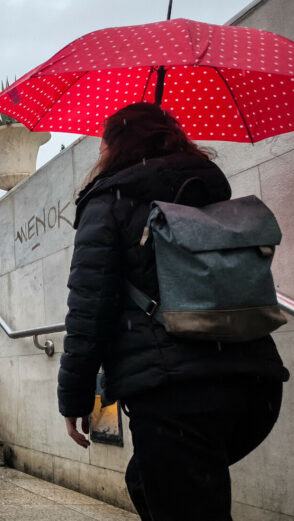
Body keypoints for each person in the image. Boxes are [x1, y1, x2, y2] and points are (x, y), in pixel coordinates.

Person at [58, 102, 289, 521]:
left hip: (175, 394)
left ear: (114, 146)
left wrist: (74, 399)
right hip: (257, 385)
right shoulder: (209, 189)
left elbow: (88, 310)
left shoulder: (108, 201)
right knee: (150, 483)